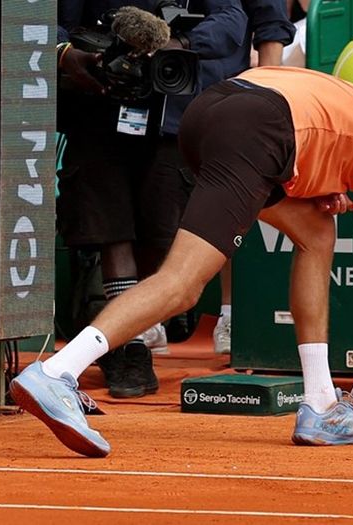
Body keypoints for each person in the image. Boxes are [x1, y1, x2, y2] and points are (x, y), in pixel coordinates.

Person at [11, 67, 353, 457]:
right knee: (183, 285)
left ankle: (319, 406)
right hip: (258, 128)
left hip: (213, 111)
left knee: (316, 231)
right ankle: (58, 371)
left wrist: (322, 188)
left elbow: (306, 138)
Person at [56, 0, 249, 397]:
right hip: (96, 108)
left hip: (172, 113)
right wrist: (68, 56)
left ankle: (130, 326)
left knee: (159, 232)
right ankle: (129, 346)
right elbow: (47, 26)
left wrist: (177, 41)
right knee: (112, 228)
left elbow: (232, 20)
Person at [214, 0, 297, 354]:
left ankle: (231, 315)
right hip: (162, 98)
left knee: (231, 205)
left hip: (231, 95)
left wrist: (264, 92)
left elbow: (270, 22)